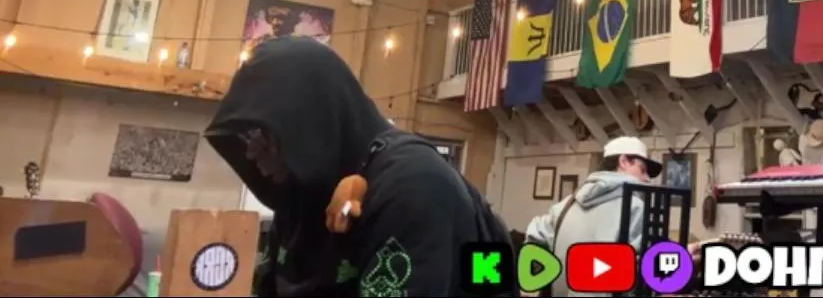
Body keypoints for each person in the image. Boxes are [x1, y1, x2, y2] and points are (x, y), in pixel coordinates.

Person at [204, 37, 511, 297]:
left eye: (261, 132)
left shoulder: (415, 188)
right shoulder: (301, 194)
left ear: (304, 122)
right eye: (246, 136)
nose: (251, 152)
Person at [524, 136, 661, 297]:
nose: (647, 178)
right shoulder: (636, 207)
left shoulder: (563, 207)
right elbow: (645, 276)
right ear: (623, 161)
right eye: (642, 170)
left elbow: (534, 241)